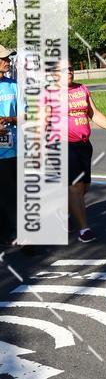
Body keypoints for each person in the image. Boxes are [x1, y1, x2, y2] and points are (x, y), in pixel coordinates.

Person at [66, 63, 106, 242]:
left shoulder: (82, 89)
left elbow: (94, 113)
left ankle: (65, 214)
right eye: (64, 69)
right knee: (76, 186)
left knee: (84, 187)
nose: (69, 72)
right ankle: (84, 229)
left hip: (84, 144)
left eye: (70, 68)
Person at [0, 45, 19, 246]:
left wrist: (12, 119)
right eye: (4, 58)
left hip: (15, 148)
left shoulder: (13, 85)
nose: (8, 61)